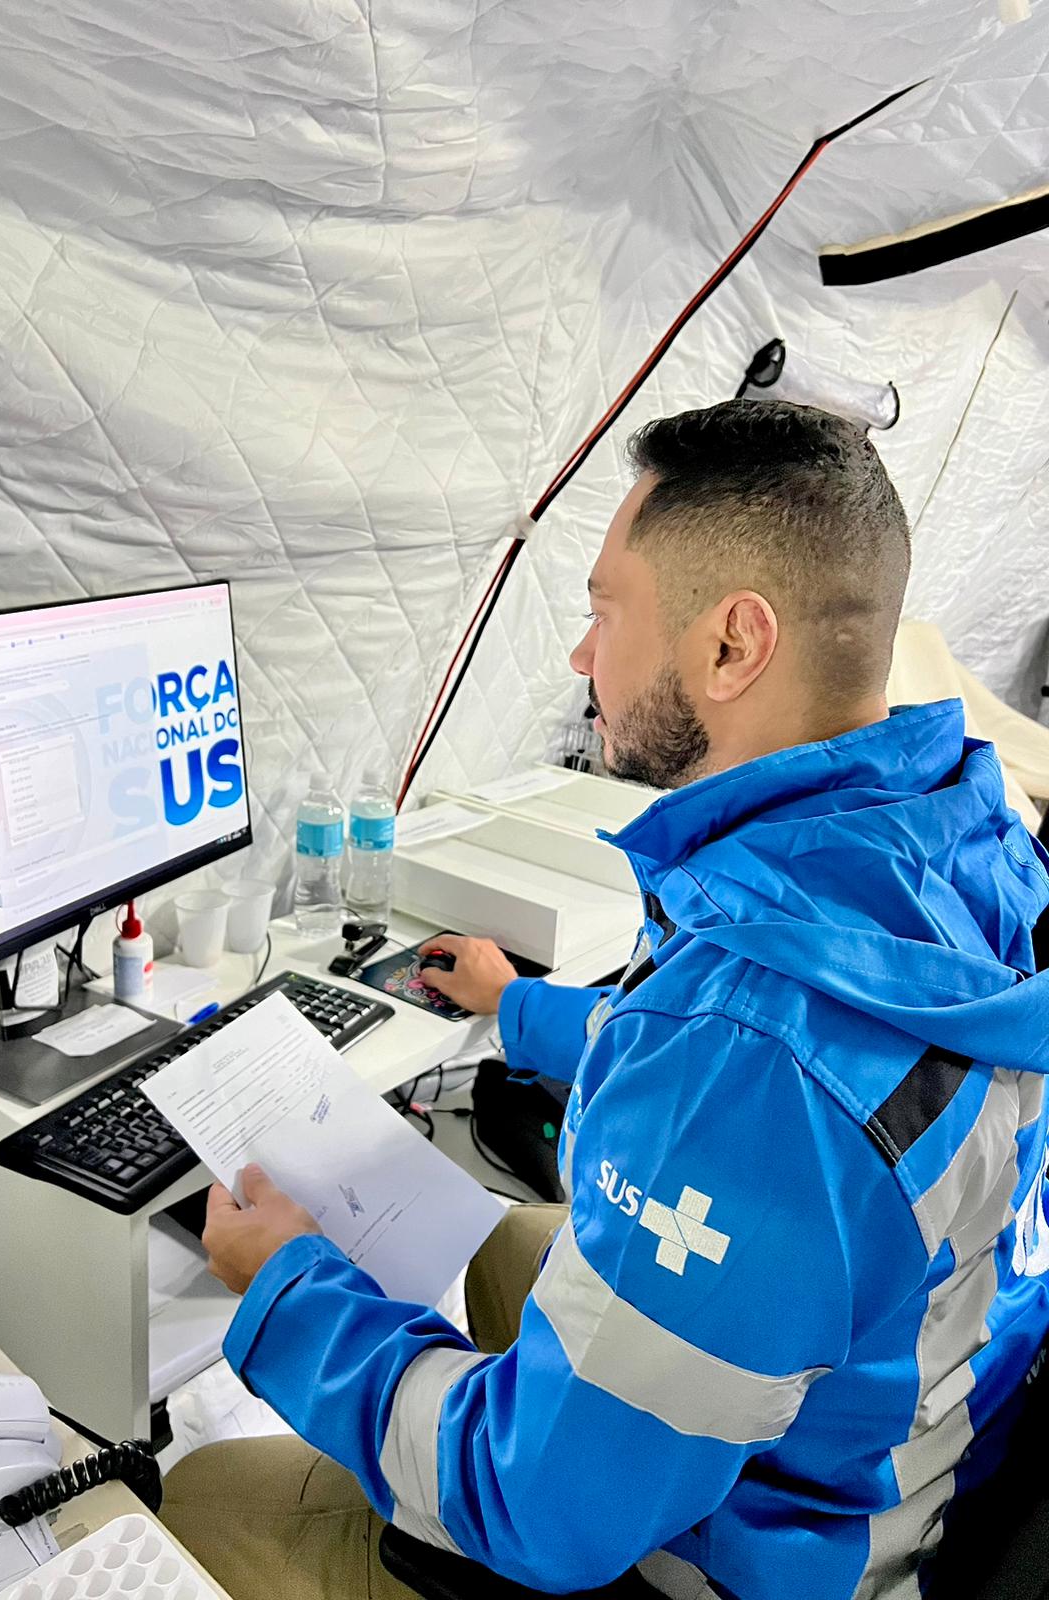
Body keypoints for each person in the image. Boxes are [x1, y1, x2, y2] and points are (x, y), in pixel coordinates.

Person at [161, 400, 1049, 1600]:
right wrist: (519, 1008)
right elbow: (783, 1062)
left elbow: (536, 1506)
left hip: (752, 1565)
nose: (583, 656)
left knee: (212, 1495)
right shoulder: (943, 843)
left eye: (604, 610)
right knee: (509, 1239)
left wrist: (288, 1289)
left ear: (734, 644)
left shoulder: (749, 1065)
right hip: (904, 1433)